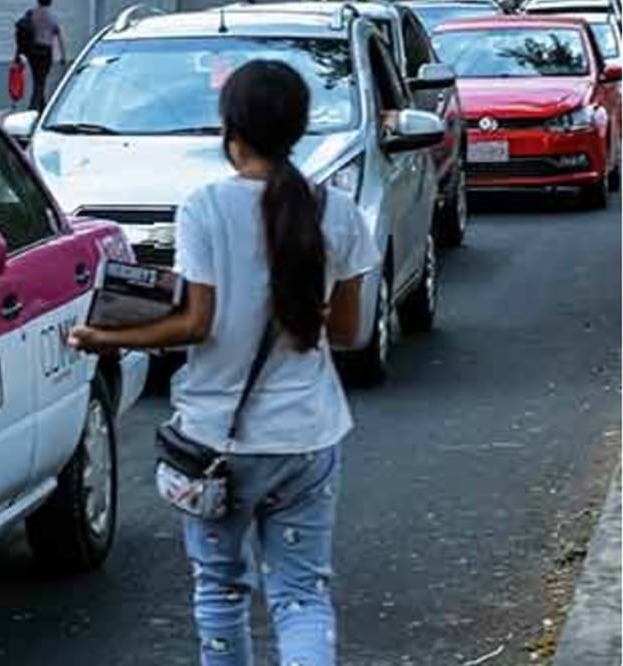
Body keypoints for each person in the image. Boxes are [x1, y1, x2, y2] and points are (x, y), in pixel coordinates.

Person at [68, 60, 380, 666]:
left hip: (217, 445)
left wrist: (108, 337)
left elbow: (195, 323)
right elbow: (348, 332)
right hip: (307, 437)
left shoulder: (205, 207)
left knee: (220, 592)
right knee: (301, 597)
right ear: (298, 130)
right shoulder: (336, 212)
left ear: (230, 129)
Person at [15, 0, 66, 111]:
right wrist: (63, 55)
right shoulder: (52, 16)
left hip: (32, 51)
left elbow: (23, 32)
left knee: (37, 78)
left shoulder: (31, 14)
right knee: (40, 80)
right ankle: (33, 107)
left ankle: (43, 107)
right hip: (46, 52)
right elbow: (59, 37)